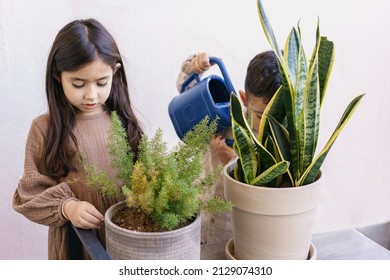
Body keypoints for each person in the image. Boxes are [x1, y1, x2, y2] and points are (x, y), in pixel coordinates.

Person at [12, 19, 143, 260]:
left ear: (115, 71)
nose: (91, 94)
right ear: (57, 75)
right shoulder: (45, 129)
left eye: (102, 82)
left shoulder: (123, 121)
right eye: (78, 83)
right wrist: (68, 207)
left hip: (128, 239)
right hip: (78, 244)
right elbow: (29, 193)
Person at [176, 51, 281, 245]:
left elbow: (264, 192)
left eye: (275, 118)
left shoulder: (280, 146)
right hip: (198, 215)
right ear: (243, 99)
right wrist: (194, 67)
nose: (267, 124)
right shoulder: (224, 112)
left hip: (231, 231)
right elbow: (187, 90)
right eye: (259, 115)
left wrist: (232, 162)